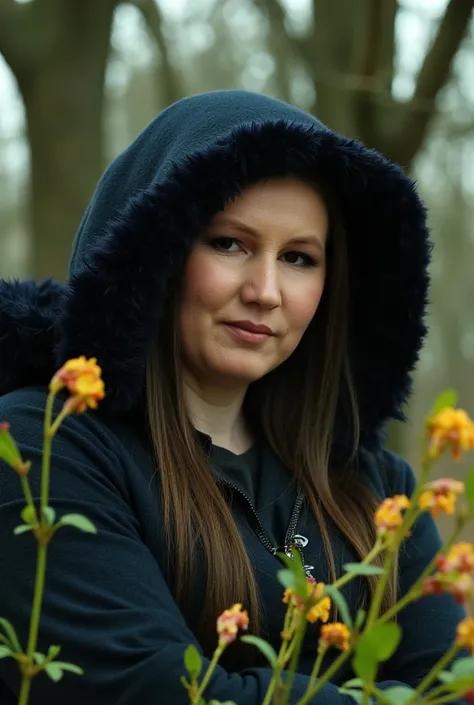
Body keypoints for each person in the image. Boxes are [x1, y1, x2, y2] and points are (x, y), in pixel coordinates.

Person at [0, 90, 465, 705]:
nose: (266, 291)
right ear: (153, 252)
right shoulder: (43, 448)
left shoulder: (374, 490)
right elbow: (150, 688)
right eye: (229, 244)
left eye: (299, 258)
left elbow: (449, 684)